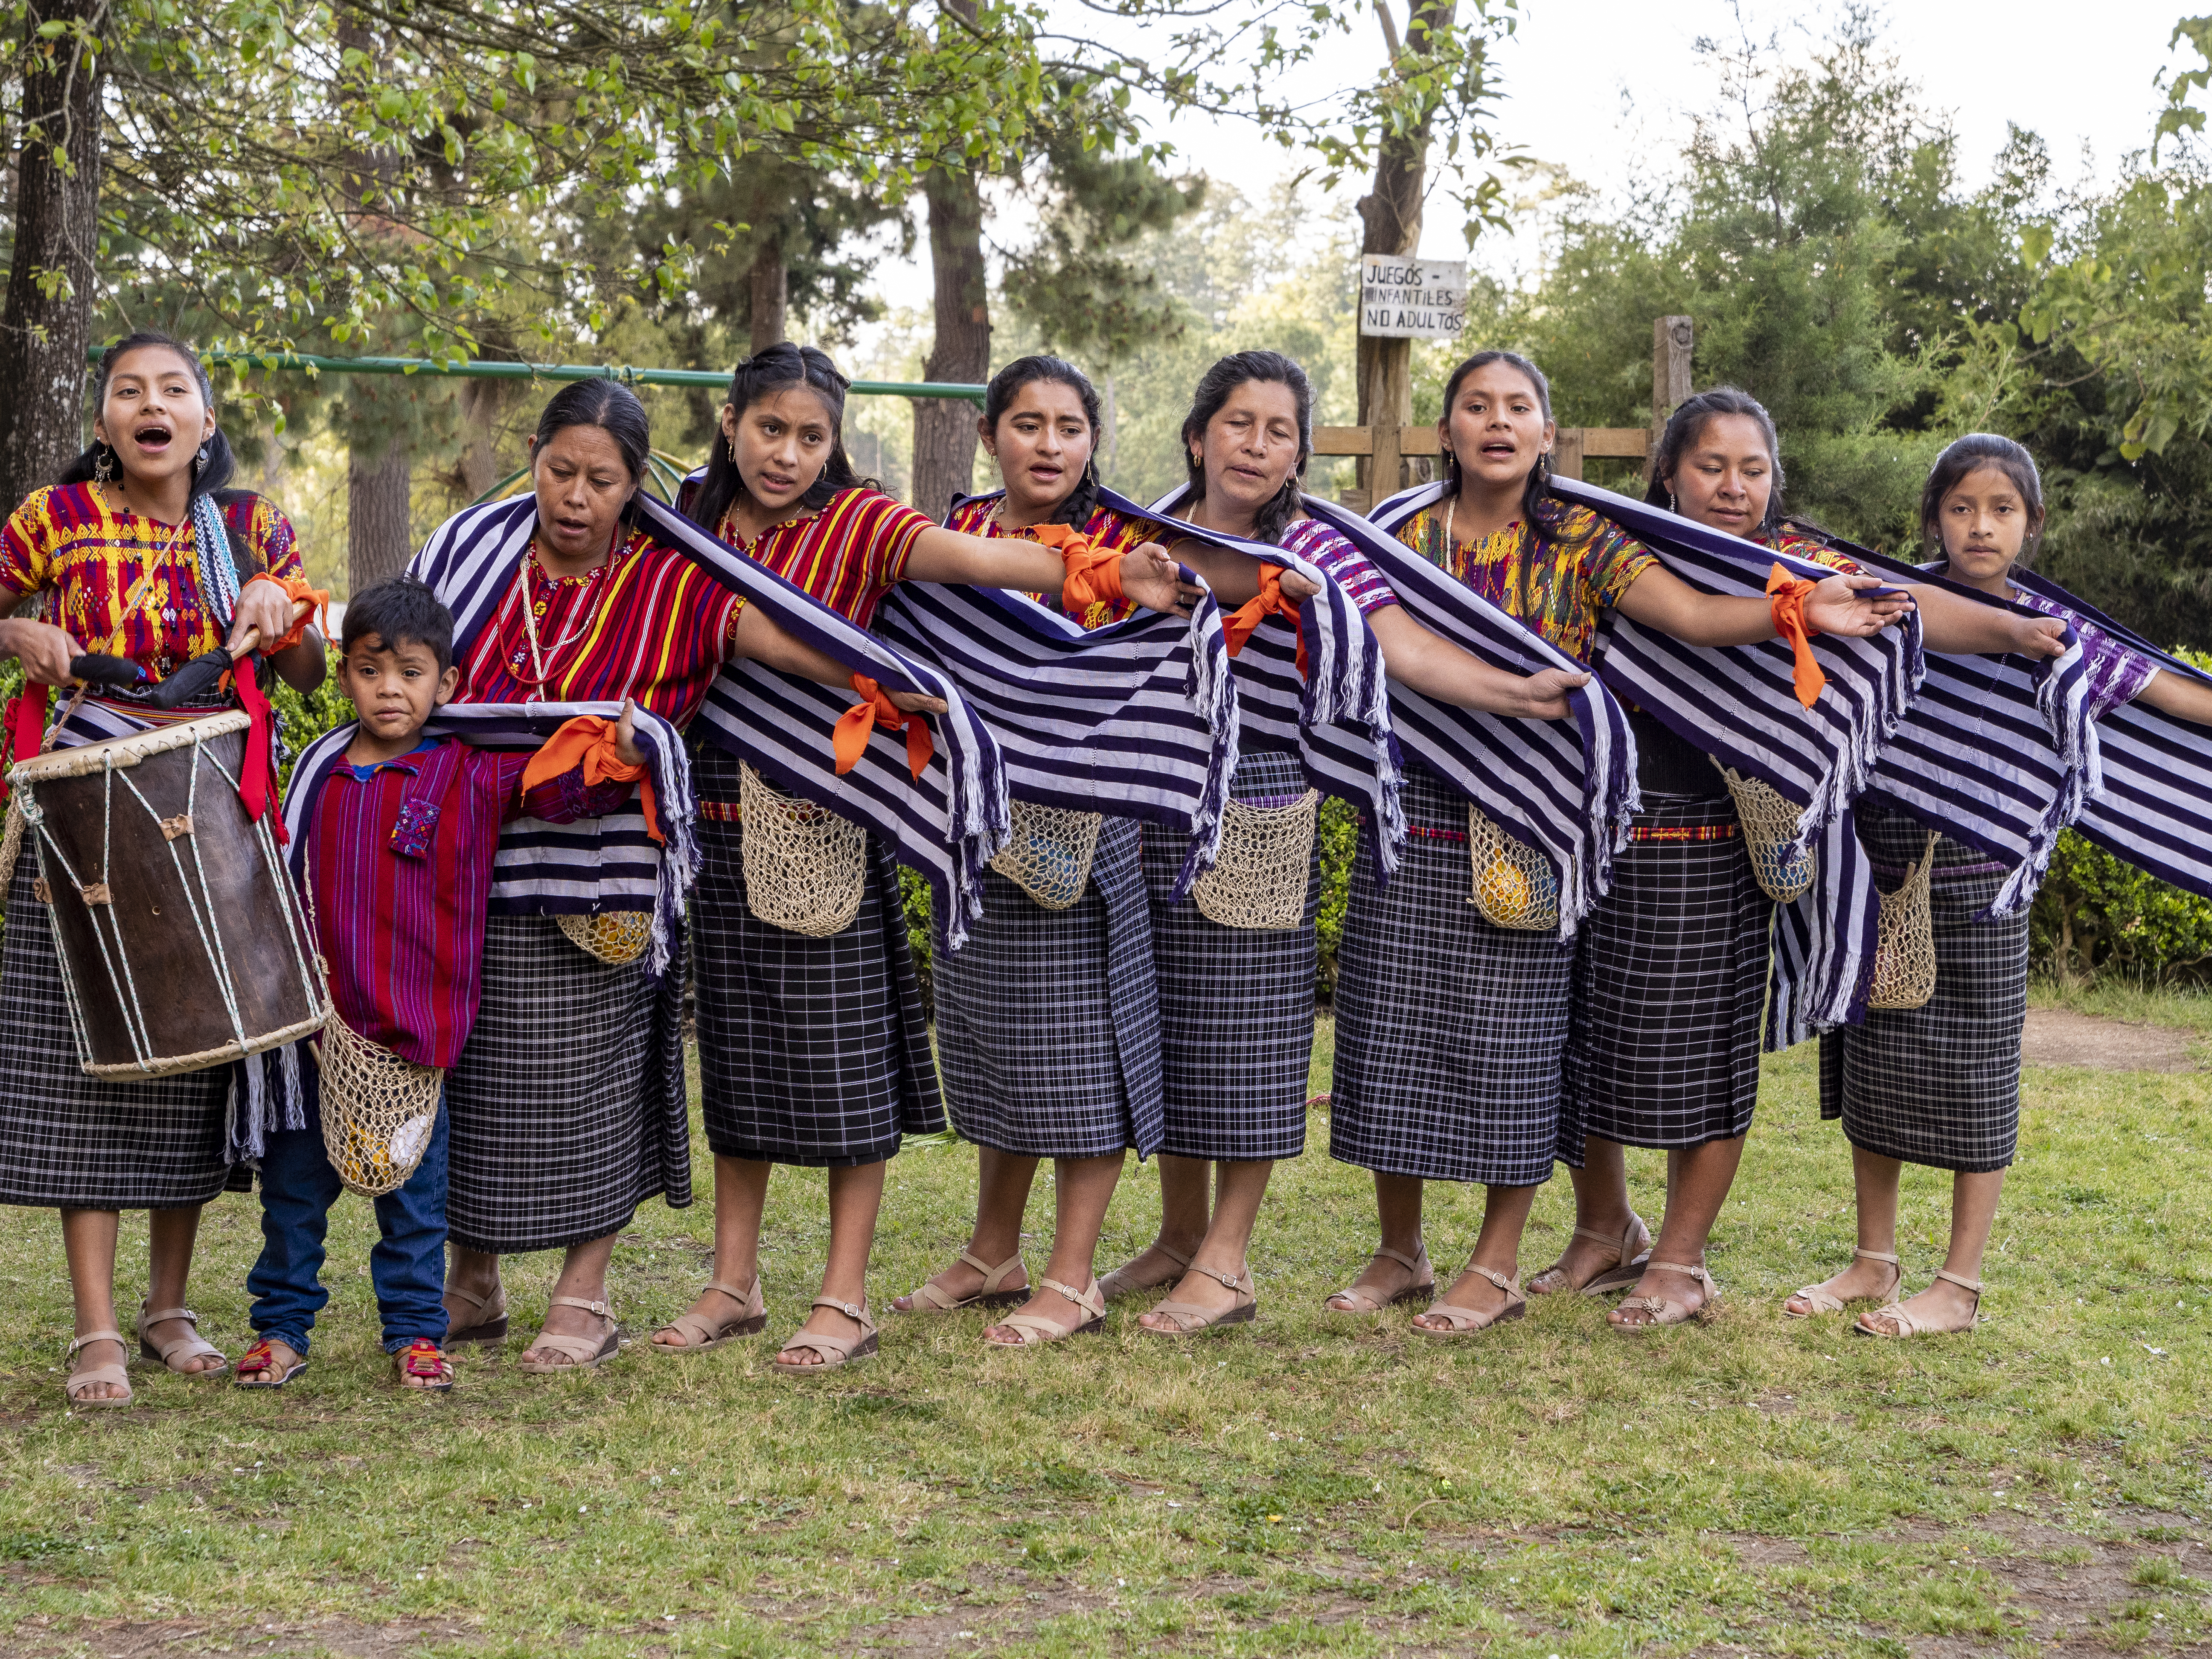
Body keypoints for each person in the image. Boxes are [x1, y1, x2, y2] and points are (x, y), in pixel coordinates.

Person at [1326, 350, 1905, 1336]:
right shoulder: (1401, 533)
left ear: (1552, 434)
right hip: (1495, 821)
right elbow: (1367, 636)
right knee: (1466, 1039)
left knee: (1640, 1051)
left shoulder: (1593, 539)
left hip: (1630, 832)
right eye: (1478, 406)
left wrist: (1798, 606)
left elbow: (1687, 617)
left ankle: (1660, 1261)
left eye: (1520, 408)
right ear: (1447, 427)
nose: (1499, 424)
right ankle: (1520, 1238)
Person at [663, 343, 1187, 1371]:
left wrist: (1102, 571)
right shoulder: (687, 525)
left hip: (834, 818)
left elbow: (982, 562)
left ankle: (842, 1296)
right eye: (771, 429)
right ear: (730, 425)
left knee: (845, 1068)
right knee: (736, 1056)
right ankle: (734, 1282)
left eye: (813, 435)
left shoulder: (859, 524)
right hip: (719, 813)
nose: (788, 453)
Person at [1530, 387, 2070, 1330]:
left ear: (1775, 479)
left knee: (1708, 1050)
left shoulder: (1803, 565)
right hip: (1605, 823)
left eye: (1752, 469)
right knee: (1590, 1036)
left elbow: (1910, 609)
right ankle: (1603, 1229)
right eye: (1711, 466)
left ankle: (1684, 1261)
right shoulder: (1617, 547)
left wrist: (2015, 631)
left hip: (1726, 836)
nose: (1732, 487)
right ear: (1669, 472)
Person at [413, 378, 867, 1375]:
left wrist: (875, 677)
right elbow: (403, 665)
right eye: (560, 471)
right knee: (474, 1073)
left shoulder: (673, 581)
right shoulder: (467, 557)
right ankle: (473, 1280)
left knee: (593, 1077)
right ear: (532, 454)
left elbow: (778, 641)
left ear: (636, 485)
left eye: (603, 480)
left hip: (609, 875)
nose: (576, 496)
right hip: (471, 862)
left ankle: (586, 1294)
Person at [1790, 434, 2212, 1336]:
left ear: (2034, 523)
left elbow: (2177, 697)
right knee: (1875, 1063)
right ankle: (1873, 1261)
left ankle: (1959, 1284)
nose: (1981, 526)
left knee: (1979, 1074)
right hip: (1878, 867)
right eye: (1961, 508)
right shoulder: (1885, 601)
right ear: (1933, 517)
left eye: (2002, 510)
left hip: (1984, 882)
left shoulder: (2060, 634)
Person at [0, 331, 327, 1407]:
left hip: (207, 821)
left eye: (174, 389)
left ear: (205, 420)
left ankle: (167, 1309)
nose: (152, 405)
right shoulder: (50, 524)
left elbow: (307, 669)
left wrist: (281, 618)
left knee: (190, 1060)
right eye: (129, 392)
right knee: (79, 1063)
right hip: (79, 817)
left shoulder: (248, 529)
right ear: (103, 425)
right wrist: (19, 632)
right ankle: (95, 1327)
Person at [237, 578, 650, 1391]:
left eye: (412, 673)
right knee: (293, 1201)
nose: (390, 690)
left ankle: (417, 1335)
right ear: (347, 675)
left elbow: (559, 792)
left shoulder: (467, 773)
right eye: (368, 670)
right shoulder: (320, 771)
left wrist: (624, 755)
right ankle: (281, 1329)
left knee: (417, 1208)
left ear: (449, 683)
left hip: (415, 1037)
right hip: (316, 1039)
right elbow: (273, 880)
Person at [888, 355, 1182, 1347]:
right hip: (975, 827)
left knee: (1080, 1052)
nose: (1048, 444)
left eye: (1068, 426)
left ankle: (1072, 1275)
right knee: (994, 1041)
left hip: (1085, 833)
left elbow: (1165, 665)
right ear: (988, 435)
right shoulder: (949, 538)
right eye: (1027, 423)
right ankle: (992, 1252)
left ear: (1094, 439)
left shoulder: (1132, 546)